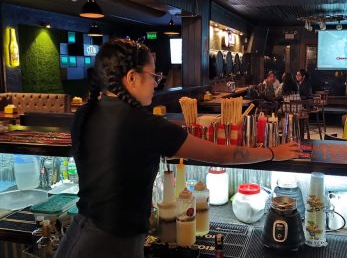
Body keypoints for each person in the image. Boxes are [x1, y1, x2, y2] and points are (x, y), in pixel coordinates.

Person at [55, 39, 300, 258]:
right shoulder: (145, 126)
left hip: (79, 232)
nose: (156, 83)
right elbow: (221, 154)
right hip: (111, 245)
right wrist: (273, 153)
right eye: (153, 76)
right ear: (131, 77)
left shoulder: (84, 114)